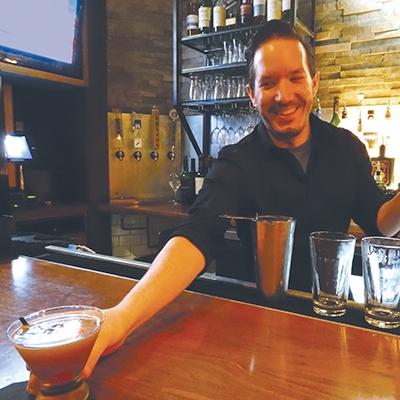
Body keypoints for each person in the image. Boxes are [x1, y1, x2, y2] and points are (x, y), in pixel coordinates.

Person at [34, 21, 400, 385]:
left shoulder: (347, 148)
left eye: (295, 78)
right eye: (268, 83)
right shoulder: (238, 161)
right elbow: (196, 235)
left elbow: (380, 222)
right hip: (255, 326)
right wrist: (122, 317)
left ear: (314, 82)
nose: (283, 95)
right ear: (252, 93)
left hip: (327, 323)